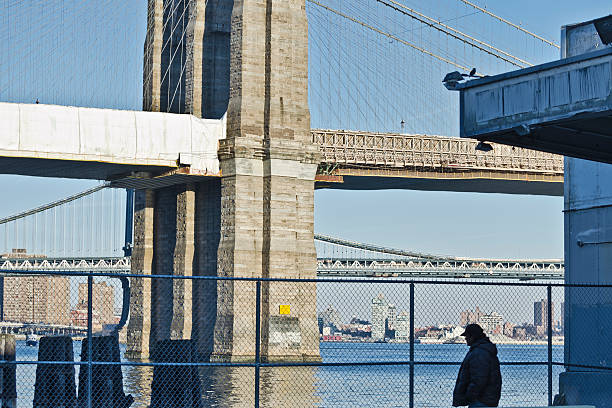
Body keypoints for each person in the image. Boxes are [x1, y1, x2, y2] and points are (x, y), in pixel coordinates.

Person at [453, 323, 502, 407]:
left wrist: (469, 396)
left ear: (473, 336)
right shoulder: (483, 350)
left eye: (467, 336)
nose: (465, 338)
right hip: (486, 399)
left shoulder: (479, 353)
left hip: (480, 400)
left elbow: (479, 379)